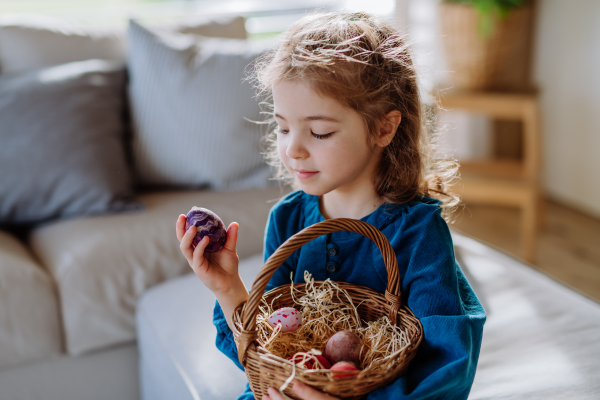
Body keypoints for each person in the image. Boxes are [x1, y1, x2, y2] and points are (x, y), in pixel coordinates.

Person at [176, 11, 485, 400]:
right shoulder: (288, 219)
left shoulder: (419, 232)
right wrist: (227, 287)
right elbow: (267, 347)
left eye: (320, 131)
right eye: (283, 127)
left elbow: (448, 364)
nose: (293, 149)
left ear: (383, 128)